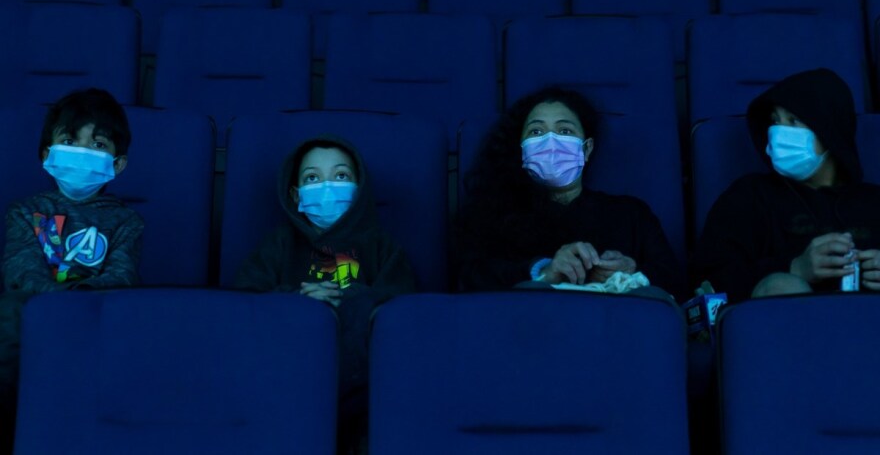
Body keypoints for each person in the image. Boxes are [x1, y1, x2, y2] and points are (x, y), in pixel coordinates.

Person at [235, 135, 416, 455]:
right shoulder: (278, 244)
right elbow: (243, 303)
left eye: (341, 176)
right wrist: (298, 301)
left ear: (359, 190)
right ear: (295, 194)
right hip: (286, 377)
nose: (327, 187)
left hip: (364, 389)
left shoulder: (380, 246)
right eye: (313, 178)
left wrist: (350, 298)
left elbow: (402, 308)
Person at [0, 88, 143, 452]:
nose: (82, 152)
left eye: (97, 144)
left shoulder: (127, 221)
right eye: (69, 140)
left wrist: (72, 306)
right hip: (32, 316)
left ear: (118, 163)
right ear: (47, 155)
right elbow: (22, 270)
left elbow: (121, 276)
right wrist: (56, 307)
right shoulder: (26, 211)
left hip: (98, 317)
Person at [456, 86, 682, 299]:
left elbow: (677, 281)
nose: (550, 141)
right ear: (521, 149)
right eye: (536, 131)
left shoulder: (631, 215)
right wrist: (543, 271)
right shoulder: (491, 215)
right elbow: (469, 279)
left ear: (586, 148)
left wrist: (633, 271)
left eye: (564, 130)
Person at [690, 68, 880, 302]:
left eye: (794, 121)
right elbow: (708, 280)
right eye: (775, 121)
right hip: (784, 332)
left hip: (867, 329)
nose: (779, 132)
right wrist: (795, 268)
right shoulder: (749, 197)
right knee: (781, 286)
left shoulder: (874, 202)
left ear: (830, 129)